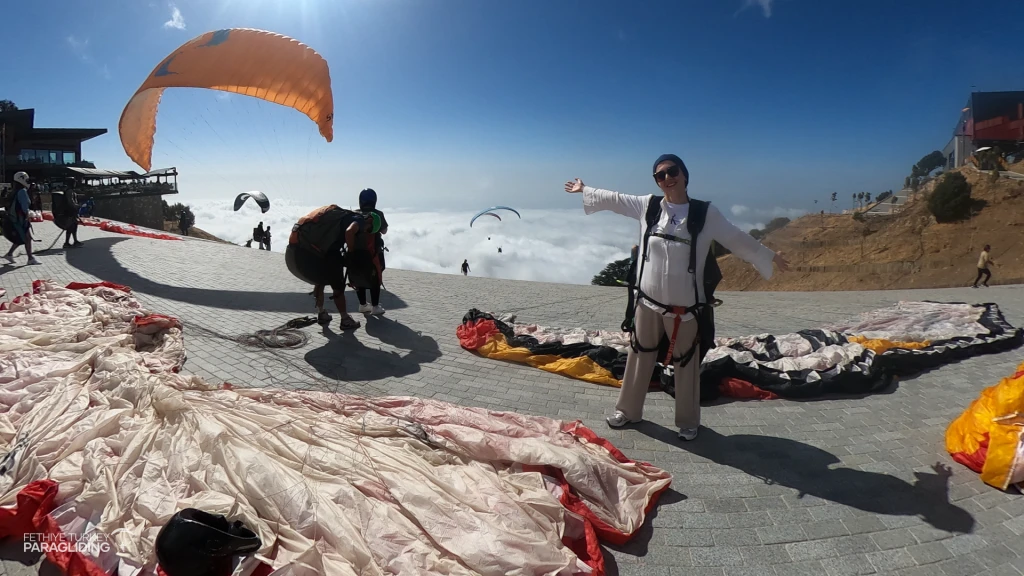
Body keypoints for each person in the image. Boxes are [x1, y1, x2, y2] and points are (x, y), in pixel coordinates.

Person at [564, 154, 789, 441]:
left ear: (684, 175)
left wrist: (768, 256)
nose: (667, 178)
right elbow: (616, 199)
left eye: (672, 172)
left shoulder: (705, 214)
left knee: (686, 363)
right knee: (638, 357)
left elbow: (736, 238)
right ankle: (628, 411)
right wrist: (585, 189)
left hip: (686, 311)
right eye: (660, 175)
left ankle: (688, 421)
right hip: (647, 304)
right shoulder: (648, 206)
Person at [285, 205, 377, 330]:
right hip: (329, 253)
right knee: (338, 287)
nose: (365, 231)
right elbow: (349, 231)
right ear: (370, 221)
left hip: (312, 249)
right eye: (368, 229)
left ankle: (321, 313)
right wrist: (351, 253)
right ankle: (345, 319)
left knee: (320, 282)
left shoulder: (343, 215)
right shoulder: (359, 219)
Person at [355, 188, 388, 316]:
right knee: (375, 278)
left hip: (355, 251)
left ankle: (362, 305)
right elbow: (384, 231)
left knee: (358, 276)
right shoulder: (377, 214)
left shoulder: (354, 213)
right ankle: (375, 306)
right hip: (372, 252)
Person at [3, 172, 40, 266]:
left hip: (14, 218)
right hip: (21, 219)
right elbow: (24, 207)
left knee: (22, 237)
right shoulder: (22, 191)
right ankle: (30, 258)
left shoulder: (14, 191)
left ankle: (10, 254)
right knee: (27, 238)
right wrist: (30, 214)